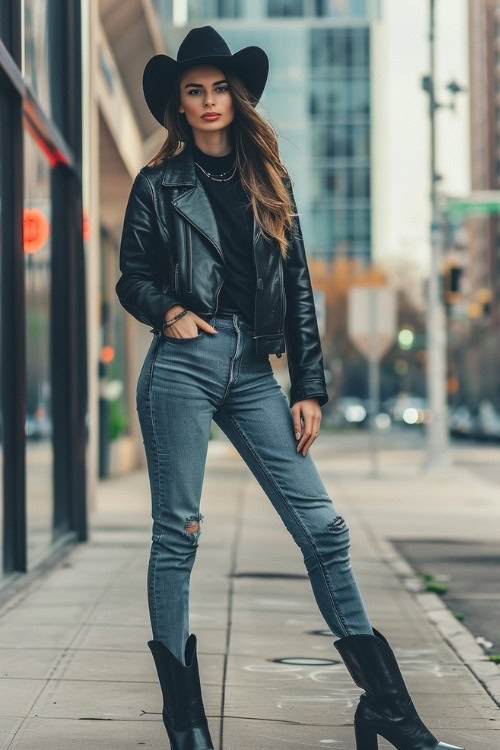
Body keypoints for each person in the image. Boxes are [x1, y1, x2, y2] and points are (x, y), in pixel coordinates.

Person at [115, 24, 464, 750]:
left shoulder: (268, 180)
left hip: (253, 372)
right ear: (178, 106)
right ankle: (186, 726)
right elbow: (132, 276)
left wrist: (309, 385)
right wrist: (170, 312)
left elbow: (299, 289)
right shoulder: (158, 184)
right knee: (177, 534)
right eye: (194, 91)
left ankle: (387, 709)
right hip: (183, 363)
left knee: (324, 529)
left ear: (236, 98)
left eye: (219, 89)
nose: (209, 101)